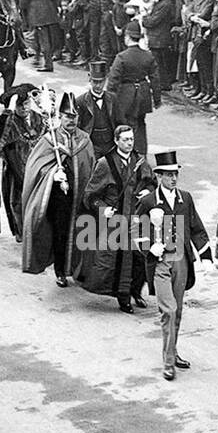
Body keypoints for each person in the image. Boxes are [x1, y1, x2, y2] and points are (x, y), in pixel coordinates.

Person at [136, 151, 213, 381]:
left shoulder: (185, 198)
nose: (173, 178)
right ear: (158, 176)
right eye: (168, 174)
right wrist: (149, 247)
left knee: (177, 312)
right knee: (168, 310)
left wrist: (206, 256)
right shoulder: (149, 201)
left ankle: (173, 351)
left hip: (181, 261)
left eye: (175, 174)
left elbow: (197, 228)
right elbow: (134, 229)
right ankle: (168, 363)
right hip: (160, 263)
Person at [21, 91, 96, 287]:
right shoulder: (50, 140)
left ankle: (78, 269)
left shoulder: (85, 140)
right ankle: (61, 271)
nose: (71, 120)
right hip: (58, 196)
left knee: (82, 231)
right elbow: (35, 166)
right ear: (60, 117)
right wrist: (54, 172)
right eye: (67, 116)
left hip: (80, 196)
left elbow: (91, 165)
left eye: (74, 116)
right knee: (61, 233)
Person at [76, 124, 152, 313]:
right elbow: (90, 195)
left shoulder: (140, 161)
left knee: (140, 258)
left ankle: (136, 291)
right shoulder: (105, 163)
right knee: (118, 260)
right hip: (116, 220)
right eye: (125, 139)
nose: (129, 143)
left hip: (137, 218)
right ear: (116, 141)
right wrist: (103, 209)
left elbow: (152, 183)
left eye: (131, 139)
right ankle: (123, 298)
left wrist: (147, 191)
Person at [107, 20, 161, 157]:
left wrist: (108, 101)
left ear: (127, 37)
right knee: (141, 123)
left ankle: (128, 154)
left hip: (126, 94)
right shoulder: (148, 55)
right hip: (143, 93)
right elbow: (155, 79)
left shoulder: (121, 57)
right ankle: (141, 153)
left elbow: (113, 81)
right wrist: (157, 99)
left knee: (126, 125)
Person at [18, 0, 61, 72]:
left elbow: (23, 1)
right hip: (49, 12)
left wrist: (22, 11)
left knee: (43, 39)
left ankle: (47, 64)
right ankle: (38, 59)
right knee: (40, 37)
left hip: (37, 14)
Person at [74, 60, 116, 159]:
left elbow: (119, 120)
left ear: (106, 80)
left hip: (111, 144)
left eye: (101, 82)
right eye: (95, 82)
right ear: (89, 79)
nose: (98, 85)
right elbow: (78, 127)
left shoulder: (113, 99)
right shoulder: (80, 101)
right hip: (92, 145)